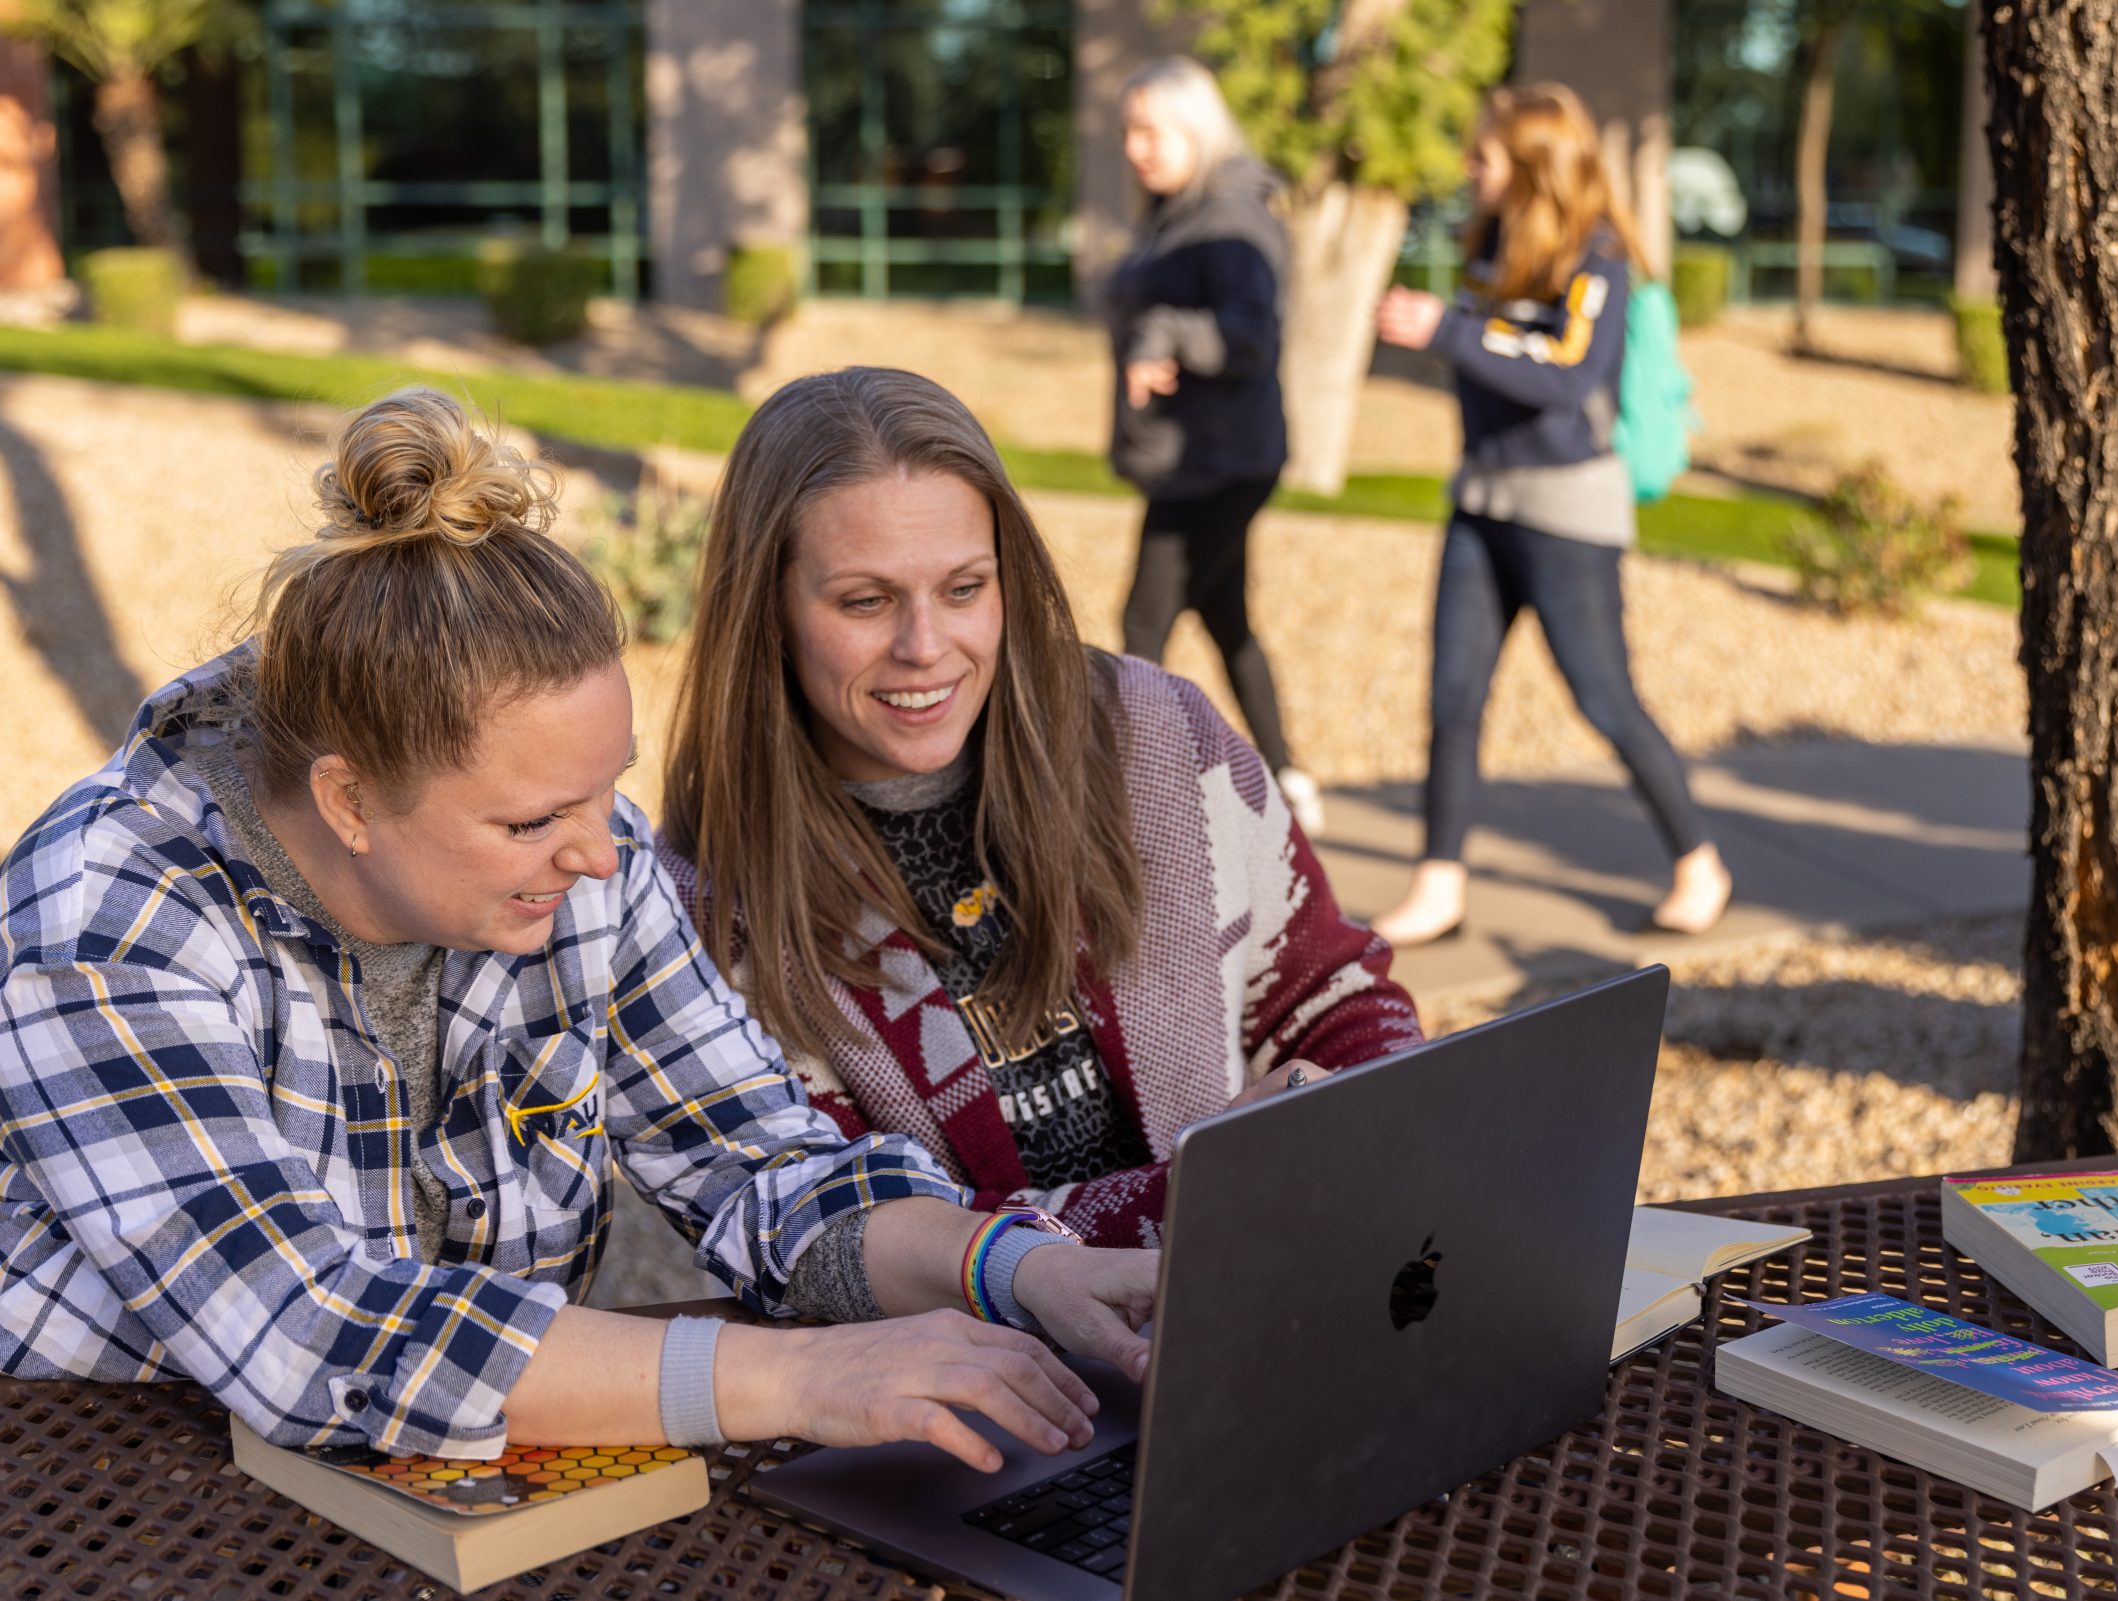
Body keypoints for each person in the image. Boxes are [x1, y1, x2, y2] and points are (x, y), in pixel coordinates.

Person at [0, 388, 1157, 1477]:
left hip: (407, 1483)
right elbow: (318, 1337)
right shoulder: (103, 922)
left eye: (609, 790)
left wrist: (1012, 1268)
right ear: (348, 798)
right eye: (538, 817)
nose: (605, 854)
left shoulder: (579, 856)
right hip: (26, 1477)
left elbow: (763, 1161)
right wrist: (806, 1379)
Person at [658, 367, 1424, 1251]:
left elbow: (1329, 995)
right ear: (767, 612)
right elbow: (852, 1239)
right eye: (865, 601)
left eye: (964, 588)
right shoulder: (705, 900)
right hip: (968, 1375)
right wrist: (1210, 1190)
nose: (926, 646)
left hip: (1261, 1286)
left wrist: (1391, 1123)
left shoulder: (1159, 731)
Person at [1368, 83, 1733, 946]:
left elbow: (1565, 376)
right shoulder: (1494, 247)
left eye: (1483, 156)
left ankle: (1699, 860)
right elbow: (1499, 366)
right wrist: (1456, 332)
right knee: (1452, 699)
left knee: (1606, 700)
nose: (1470, 168)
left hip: (1567, 518)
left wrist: (1448, 332)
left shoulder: (1597, 259)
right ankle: (1439, 882)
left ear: (1532, 167)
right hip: (1480, 505)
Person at [1104, 56, 1324, 836]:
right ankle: (1290, 779)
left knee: (1141, 626)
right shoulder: (1180, 211)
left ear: (1194, 128)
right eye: (1128, 130)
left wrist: (1163, 334)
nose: (1134, 147)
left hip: (1215, 463)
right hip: (1196, 457)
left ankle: (1136, 805)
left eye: (1149, 130)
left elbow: (1251, 338)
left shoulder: (1229, 221)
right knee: (1226, 616)